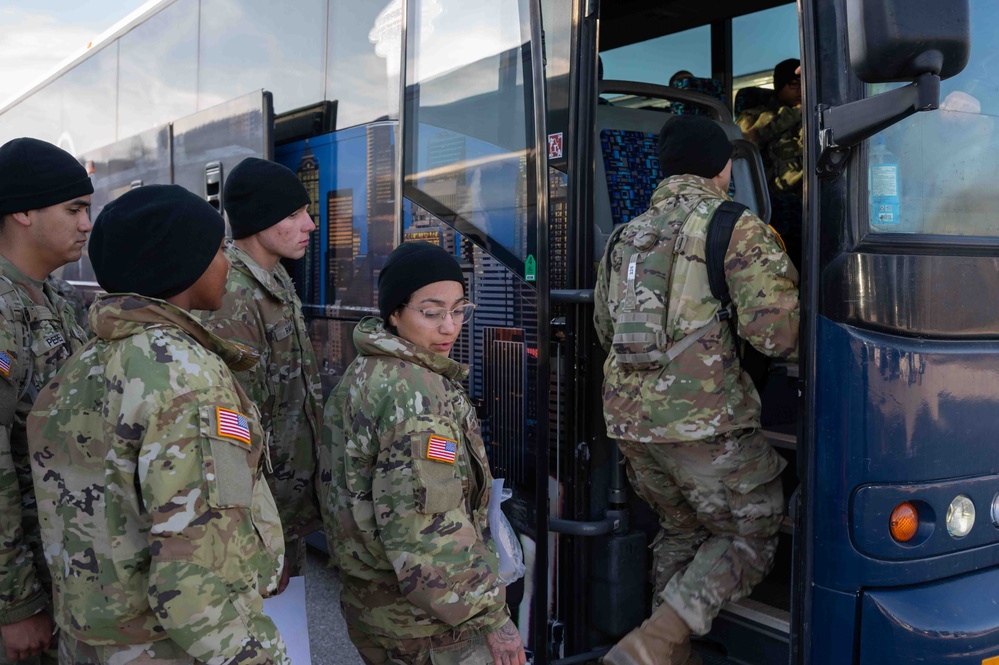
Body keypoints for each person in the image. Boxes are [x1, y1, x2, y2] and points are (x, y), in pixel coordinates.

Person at [26, 185, 288, 665]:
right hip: (166, 649)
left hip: (93, 641)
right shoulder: (188, 378)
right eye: (216, 249)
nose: (227, 263)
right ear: (182, 265)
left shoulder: (88, 361)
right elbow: (198, 571)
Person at [593, 115, 799, 665]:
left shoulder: (625, 235)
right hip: (703, 424)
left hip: (631, 424)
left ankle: (667, 659)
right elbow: (776, 334)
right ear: (722, 166)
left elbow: (605, 331)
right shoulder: (735, 224)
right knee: (749, 531)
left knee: (682, 529)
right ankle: (651, 645)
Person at [319, 241, 526, 665]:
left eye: (459, 310)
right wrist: (492, 618)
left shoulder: (365, 370)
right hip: (431, 628)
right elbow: (429, 532)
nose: (449, 327)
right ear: (395, 313)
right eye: (432, 313)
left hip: (373, 609)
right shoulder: (415, 392)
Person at [199, 157, 323, 579]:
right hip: (260, 517)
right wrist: (255, 534)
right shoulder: (234, 294)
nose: (310, 225)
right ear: (258, 221)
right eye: (294, 215)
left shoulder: (277, 278)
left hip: (286, 505)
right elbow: (233, 432)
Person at [0, 137, 94, 665]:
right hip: (26, 581)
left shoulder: (57, 298)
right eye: (74, 209)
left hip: (64, 568)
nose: (86, 223)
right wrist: (15, 605)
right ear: (23, 211)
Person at [736, 59, 804, 267]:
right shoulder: (755, 114)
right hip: (775, 201)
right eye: (794, 84)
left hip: (811, 195)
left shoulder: (812, 116)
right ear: (780, 86)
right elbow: (746, 136)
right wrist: (796, 112)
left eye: (804, 83)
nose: (801, 88)